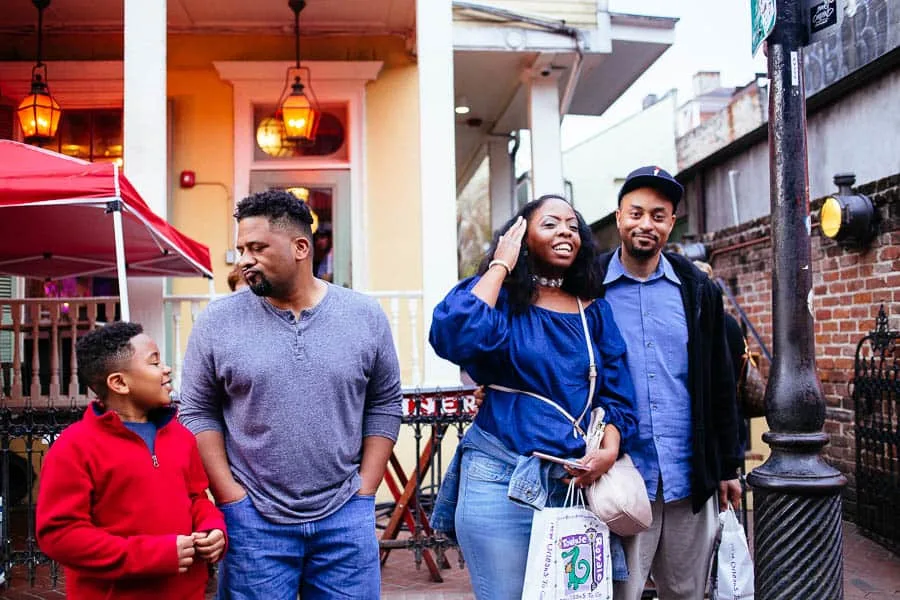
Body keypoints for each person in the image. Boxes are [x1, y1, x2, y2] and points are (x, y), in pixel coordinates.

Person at [178, 189, 402, 600]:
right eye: (241, 248)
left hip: (344, 515)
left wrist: (365, 489)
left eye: (257, 247)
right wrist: (230, 496)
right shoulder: (217, 322)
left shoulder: (364, 316)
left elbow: (385, 402)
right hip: (254, 521)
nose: (245, 259)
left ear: (301, 247)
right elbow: (197, 411)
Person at [429, 194, 639, 600]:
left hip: (573, 483)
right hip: (499, 476)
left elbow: (617, 394)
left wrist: (609, 450)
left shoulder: (592, 311)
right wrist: (500, 264)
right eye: (551, 224)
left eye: (572, 226)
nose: (565, 231)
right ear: (522, 237)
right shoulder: (502, 301)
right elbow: (452, 336)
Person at [595, 166, 743, 600]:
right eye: (636, 213)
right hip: (620, 478)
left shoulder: (697, 289)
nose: (646, 224)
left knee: (687, 592)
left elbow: (720, 383)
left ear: (670, 223)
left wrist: (728, 465)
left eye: (658, 215)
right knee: (619, 592)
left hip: (686, 475)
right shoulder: (589, 288)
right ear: (619, 217)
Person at [36, 322, 226, 600]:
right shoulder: (73, 447)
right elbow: (60, 536)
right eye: (154, 362)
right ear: (120, 383)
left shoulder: (182, 437)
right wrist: (154, 555)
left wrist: (212, 527)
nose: (167, 369)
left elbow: (196, 497)